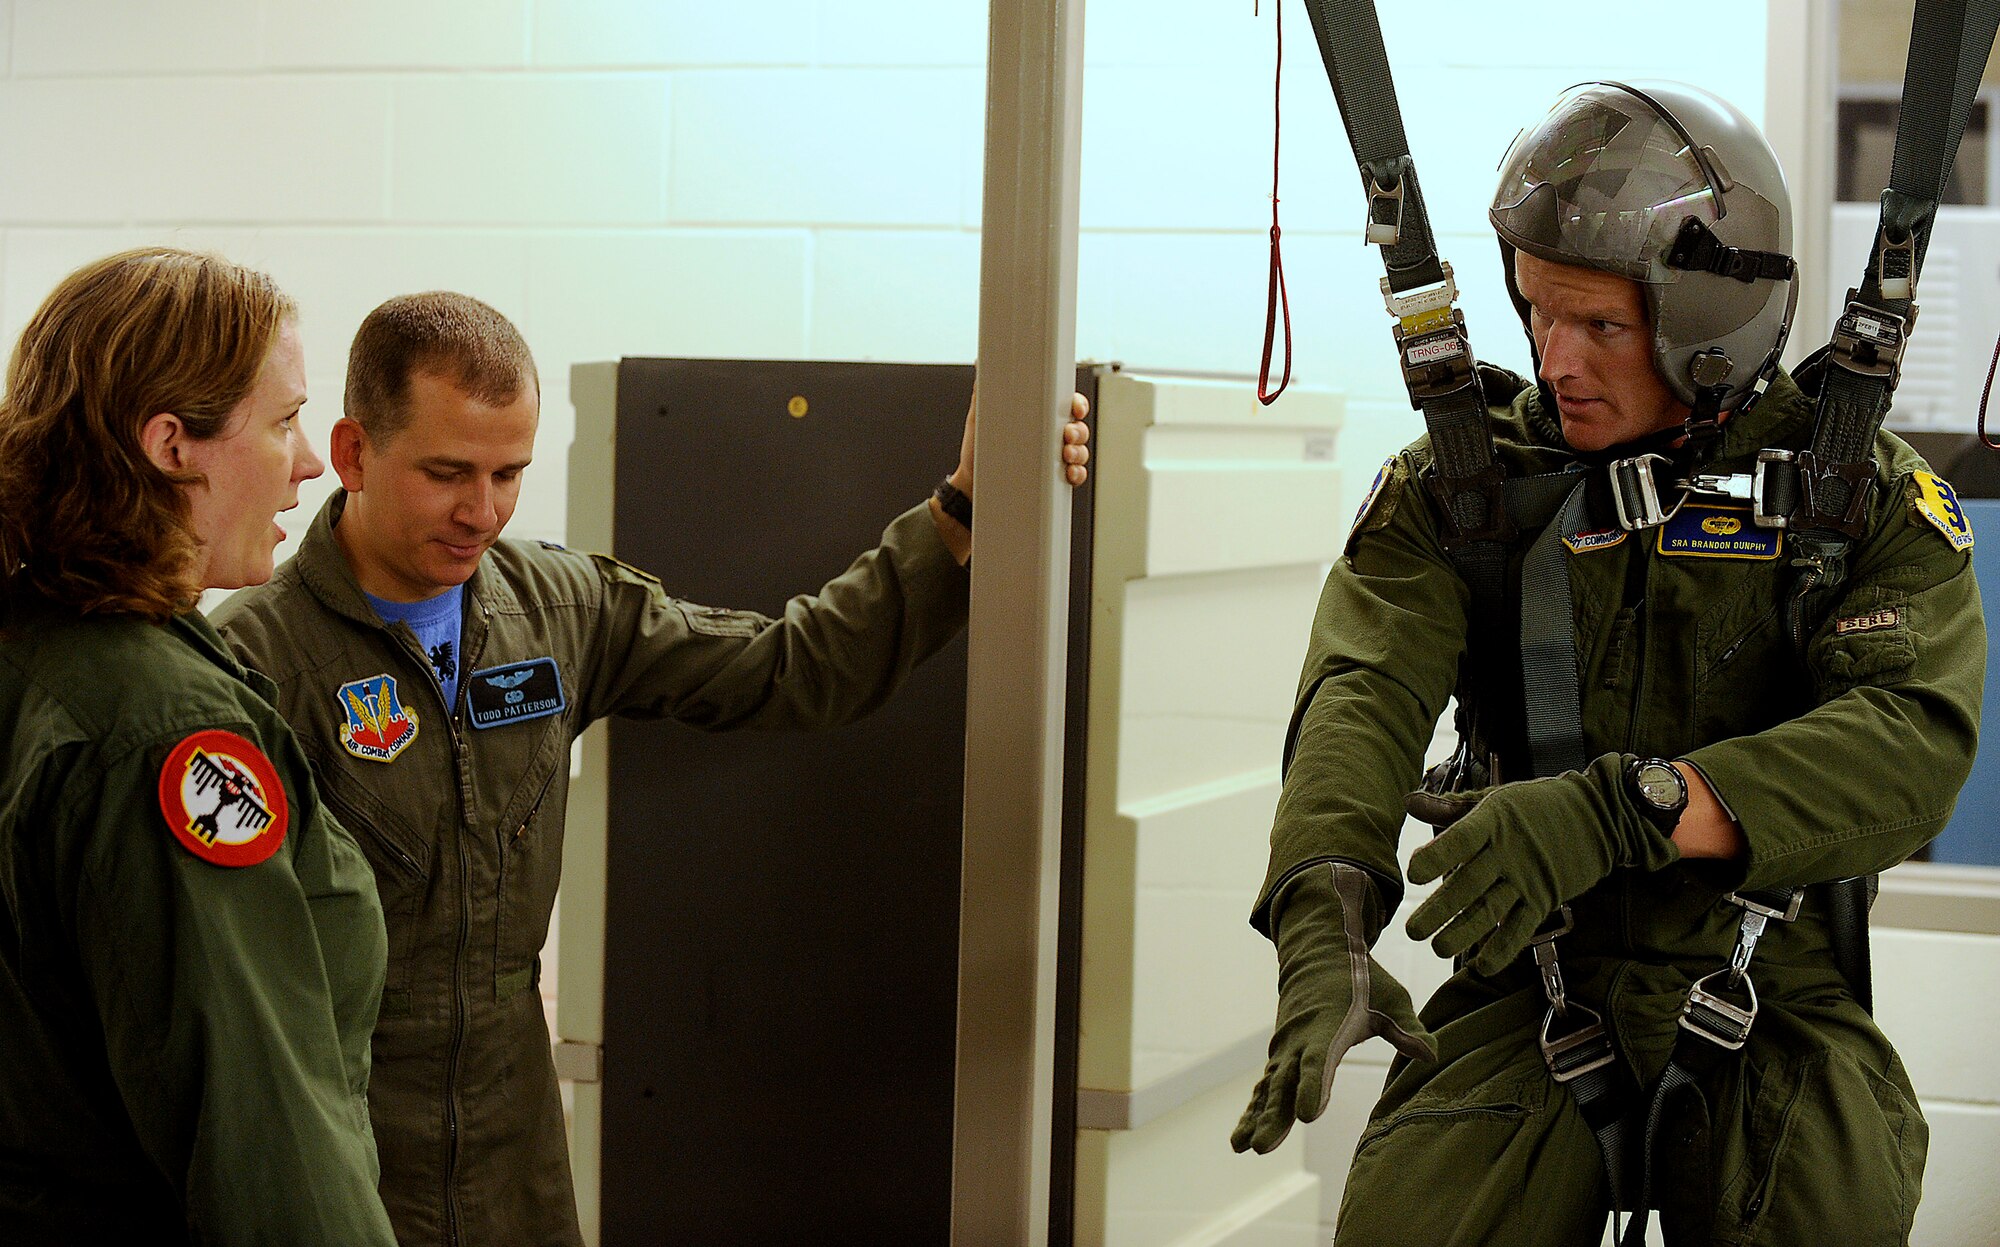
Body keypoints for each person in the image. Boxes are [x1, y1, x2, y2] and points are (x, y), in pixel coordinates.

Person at [1231, 82, 1984, 1245]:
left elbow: (1908, 743)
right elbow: (1362, 689)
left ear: (1709, 329)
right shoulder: (1469, 493)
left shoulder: (1853, 504)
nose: (1553, 358)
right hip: (1522, 977)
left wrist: (1624, 809)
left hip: (1768, 985)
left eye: (1598, 326)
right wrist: (1319, 911)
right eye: (1536, 313)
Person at [213, 290, 1091, 1247]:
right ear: (351, 454)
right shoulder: (252, 669)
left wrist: (959, 510)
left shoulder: (555, 609)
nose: (483, 512)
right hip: (345, 1148)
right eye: (447, 473)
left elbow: (793, 670)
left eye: (510, 473)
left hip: (518, 1157)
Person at [0, 248, 399, 1244]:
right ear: (172, 443)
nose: (310, 461)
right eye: (282, 420)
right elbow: (259, 1128)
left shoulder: (35, 654)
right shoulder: (165, 732)